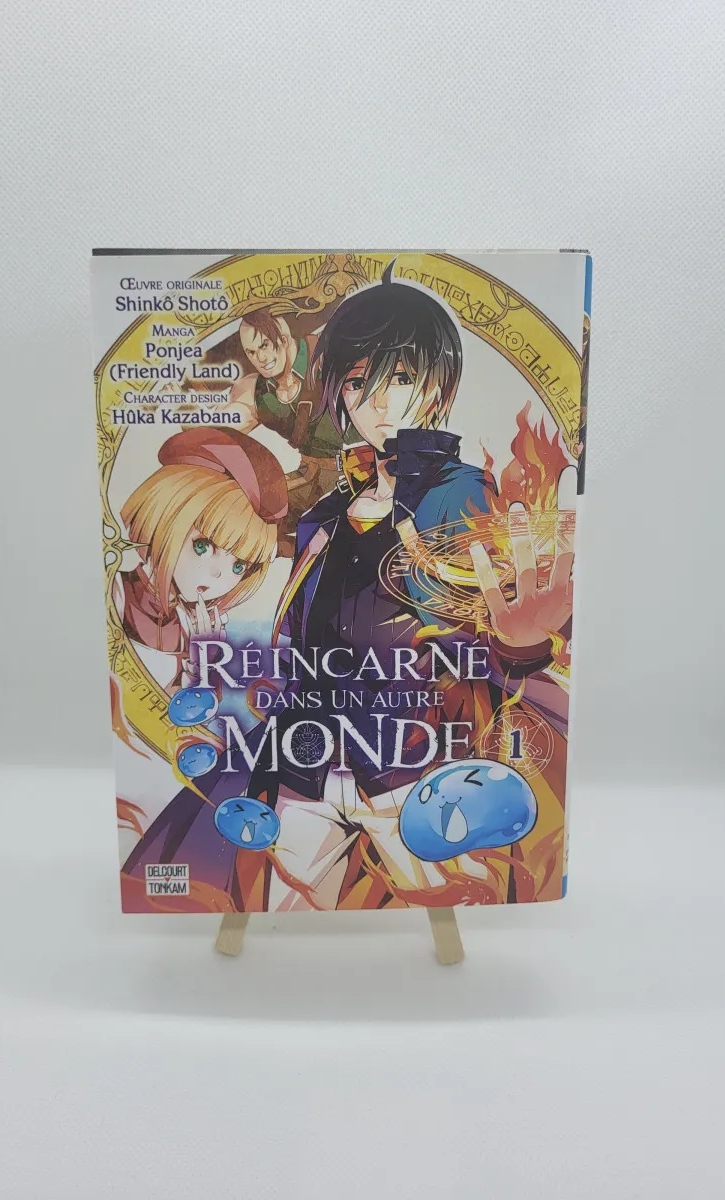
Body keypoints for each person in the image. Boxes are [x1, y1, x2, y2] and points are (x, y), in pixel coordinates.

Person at [123, 265, 575, 911]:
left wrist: (522, 646)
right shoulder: (329, 513)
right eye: (361, 383)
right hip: (303, 763)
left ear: (440, 385)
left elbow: (487, 634)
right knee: (273, 904)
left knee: (451, 898)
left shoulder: (463, 495)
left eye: (402, 377)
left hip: (412, 766)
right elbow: (295, 630)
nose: (380, 404)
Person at [115, 427, 287, 690]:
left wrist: (202, 665)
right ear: (164, 515)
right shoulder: (116, 595)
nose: (218, 574)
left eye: (239, 566)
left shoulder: (192, 627)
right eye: (202, 546)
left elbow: (184, 712)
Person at [225, 308, 355, 551]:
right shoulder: (259, 392)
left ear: (284, 339)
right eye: (252, 352)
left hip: (367, 467)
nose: (260, 358)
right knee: (249, 517)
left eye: (265, 345)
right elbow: (223, 429)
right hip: (315, 476)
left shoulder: (325, 355)